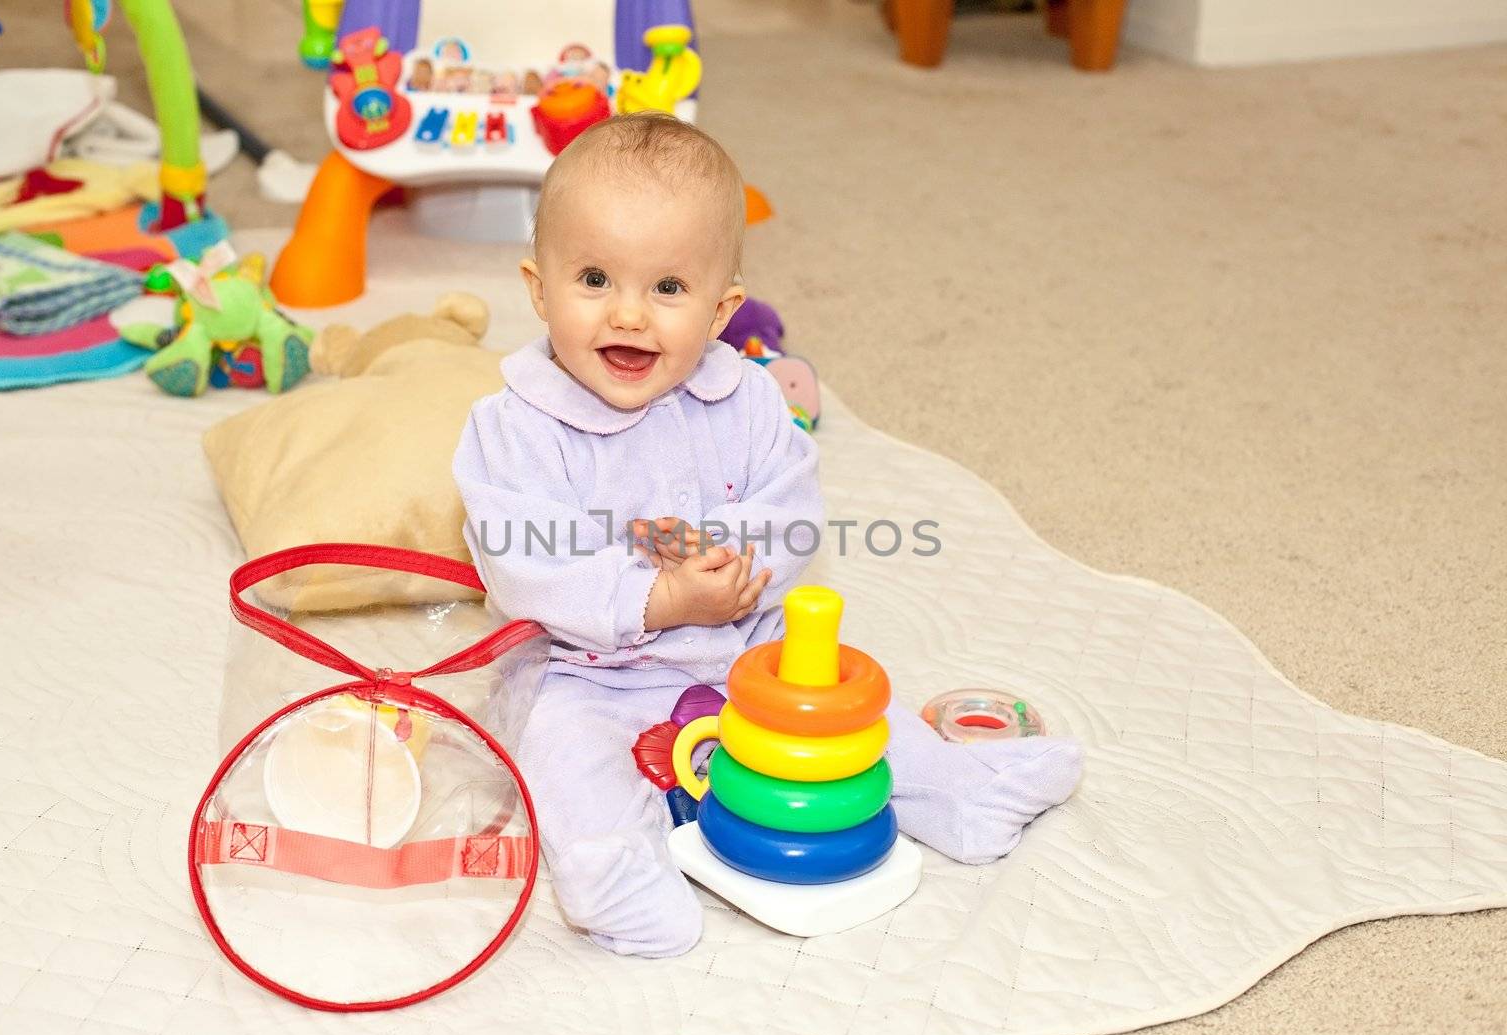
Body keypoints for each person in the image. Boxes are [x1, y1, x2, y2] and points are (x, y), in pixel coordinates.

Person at [454, 114, 1082, 957]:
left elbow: (793, 506)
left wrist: (737, 564)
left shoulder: (746, 400)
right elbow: (519, 557)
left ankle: (960, 794)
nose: (630, 314)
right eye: (595, 278)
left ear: (722, 310)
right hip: (590, 672)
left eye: (669, 288)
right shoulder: (512, 425)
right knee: (564, 765)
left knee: (862, 723)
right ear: (539, 288)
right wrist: (659, 594)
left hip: (749, 652)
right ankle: (614, 874)